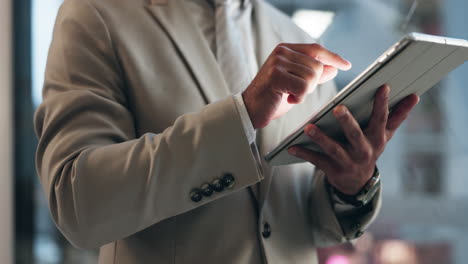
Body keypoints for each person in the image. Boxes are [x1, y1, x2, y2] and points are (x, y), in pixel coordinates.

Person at [34, 0, 419, 263]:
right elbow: (78, 204)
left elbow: (302, 219)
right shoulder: (97, 15)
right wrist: (244, 114)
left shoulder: (295, 35)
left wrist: (353, 184)